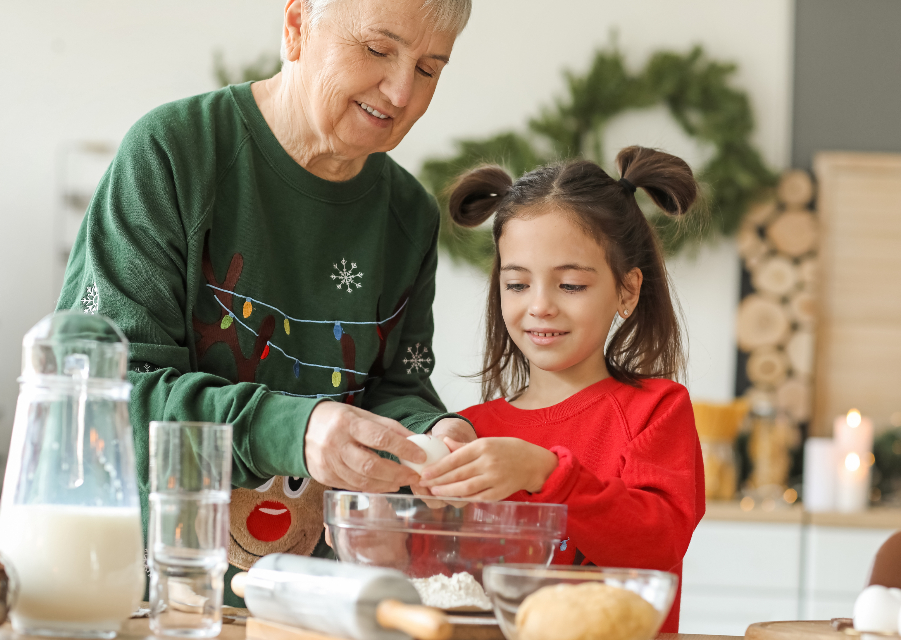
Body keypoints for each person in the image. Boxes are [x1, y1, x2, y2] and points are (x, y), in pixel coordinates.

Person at [55, 0, 476, 604]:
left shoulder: (409, 214)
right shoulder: (174, 155)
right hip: (150, 600)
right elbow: (102, 401)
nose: (401, 90)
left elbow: (394, 388)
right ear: (298, 24)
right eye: (378, 50)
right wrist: (292, 430)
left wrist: (432, 433)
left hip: (319, 608)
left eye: (430, 68)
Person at [418, 147, 706, 633]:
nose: (540, 306)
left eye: (570, 285)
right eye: (517, 284)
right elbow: (439, 581)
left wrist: (545, 472)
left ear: (626, 291)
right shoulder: (471, 431)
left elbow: (656, 547)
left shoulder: (655, 410)